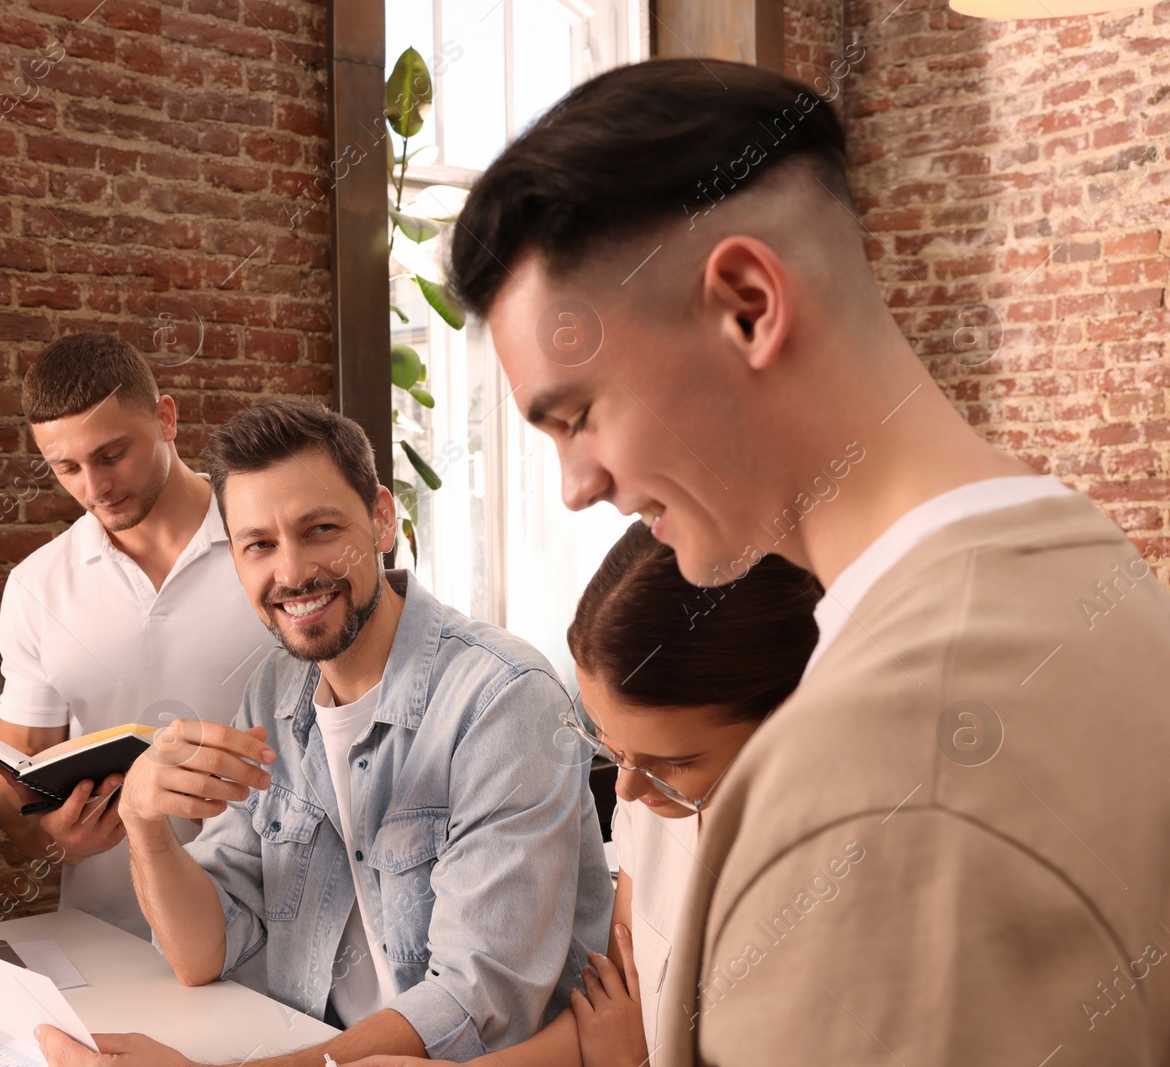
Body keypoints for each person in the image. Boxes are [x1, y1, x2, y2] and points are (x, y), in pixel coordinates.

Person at [445, 57, 1170, 1066]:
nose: (575, 483)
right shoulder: (1091, 581)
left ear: (747, 302)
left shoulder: (871, 780)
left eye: (579, 414)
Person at [33, 396, 613, 1067]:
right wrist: (143, 820)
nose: (291, 572)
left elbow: (476, 1004)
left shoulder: (502, 699)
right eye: (259, 545)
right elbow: (205, 951)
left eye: (319, 529)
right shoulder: (273, 695)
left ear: (381, 518)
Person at [350, 523, 822, 1067]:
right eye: (609, 745)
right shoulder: (653, 809)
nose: (625, 788)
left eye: (674, 762)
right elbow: (608, 1010)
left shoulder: (823, 889)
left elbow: (628, 1044)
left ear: (787, 719)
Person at [0, 333, 276, 940]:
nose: (94, 487)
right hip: (108, 937)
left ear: (166, 419)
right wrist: (51, 834)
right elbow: (15, 792)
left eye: (112, 454)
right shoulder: (37, 585)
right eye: (66, 468)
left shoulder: (272, 547)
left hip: (281, 925)